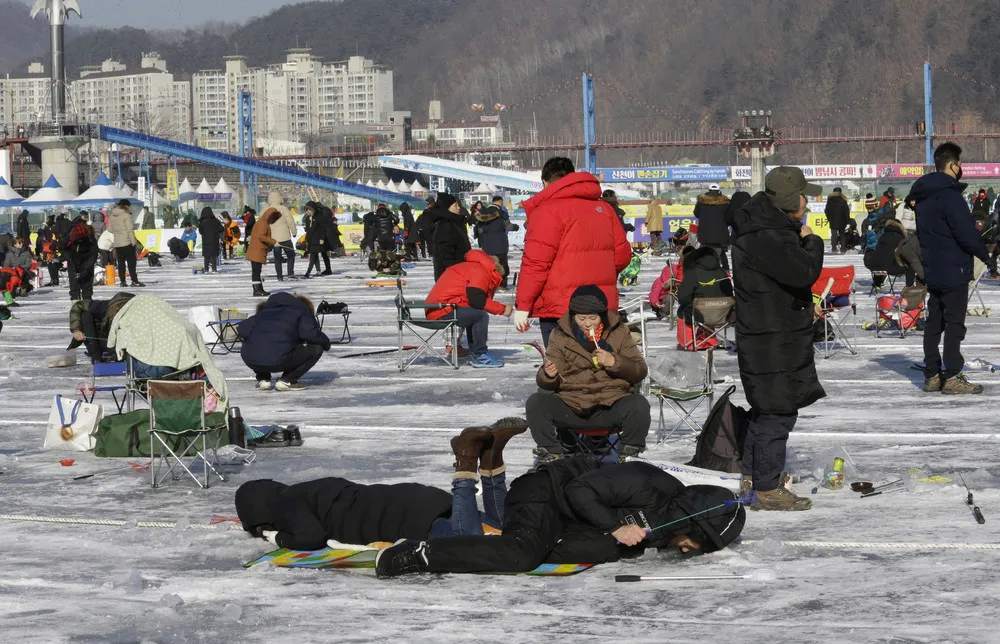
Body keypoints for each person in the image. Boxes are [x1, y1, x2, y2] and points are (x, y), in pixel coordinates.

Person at [373, 456, 746, 579]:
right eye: (697, 542)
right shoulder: (648, 483)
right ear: (690, 519)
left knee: (606, 550)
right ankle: (420, 553)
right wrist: (616, 526)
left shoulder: (667, 520)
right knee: (522, 554)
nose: (688, 551)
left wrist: (613, 536)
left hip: (569, 520)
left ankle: (488, 542)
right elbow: (578, 491)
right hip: (545, 491)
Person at [235, 420, 530, 549]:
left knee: (469, 541)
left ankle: (467, 459)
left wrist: (276, 537)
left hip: (408, 522)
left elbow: (310, 537)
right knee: (502, 527)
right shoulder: (312, 488)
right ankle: (492, 458)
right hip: (415, 498)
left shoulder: (287, 505)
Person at [730, 166, 825, 511]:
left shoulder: (762, 229)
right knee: (777, 412)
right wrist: (812, 240)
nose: (808, 202)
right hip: (772, 340)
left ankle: (755, 479)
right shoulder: (768, 237)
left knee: (766, 410)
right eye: (804, 196)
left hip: (768, 335)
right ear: (791, 201)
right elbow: (803, 272)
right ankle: (767, 487)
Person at [514, 157, 632, 346]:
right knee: (598, 366)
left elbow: (536, 264)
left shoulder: (547, 211)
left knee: (565, 368)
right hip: (600, 304)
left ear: (544, 182)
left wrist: (523, 305)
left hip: (560, 308)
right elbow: (623, 255)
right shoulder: (604, 209)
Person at [526, 285, 649, 465]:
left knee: (638, 405)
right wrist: (548, 374)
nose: (587, 323)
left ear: (603, 316)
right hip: (572, 405)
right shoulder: (559, 335)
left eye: (593, 318)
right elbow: (548, 379)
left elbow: (640, 371)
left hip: (610, 405)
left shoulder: (619, 332)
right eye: (581, 318)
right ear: (573, 316)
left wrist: (615, 362)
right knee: (536, 403)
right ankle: (552, 453)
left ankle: (629, 454)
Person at [911, 142, 993, 395]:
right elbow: (965, 233)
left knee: (934, 322)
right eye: (960, 164)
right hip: (953, 268)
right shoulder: (950, 195)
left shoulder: (923, 197)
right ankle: (953, 375)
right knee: (954, 323)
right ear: (953, 165)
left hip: (932, 268)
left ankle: (932, 374)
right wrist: (986, 255)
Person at [424, 249, 511, 368]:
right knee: (480, 315)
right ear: (496, 272)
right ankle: (480, 354)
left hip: (439, 308)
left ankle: (474, 350)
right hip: (441, 310)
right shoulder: (480, 271)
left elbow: (472, 301)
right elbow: (476, 299)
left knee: (474, 312)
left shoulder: (474, 267)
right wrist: (502, 309)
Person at [238, 292, 330, 392]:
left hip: (251, 359)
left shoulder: (264, 312)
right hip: (281, 357)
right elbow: (310, 334)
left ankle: (263, 379)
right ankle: (288, 380)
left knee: (256, 346)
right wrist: (326, 343)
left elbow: (242, 329)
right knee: (316, 349)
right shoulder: (301, 310)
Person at [67, 292, 135, 362]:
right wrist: (76, 330)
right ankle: (96, 356)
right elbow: (78, 305)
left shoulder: (139, 312)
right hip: (107, 341)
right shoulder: (103, 306)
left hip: (134, 346)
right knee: (85, 315)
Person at [675, 246, 733, 323]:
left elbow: (682, 298)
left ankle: (692, 335)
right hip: (723, 314)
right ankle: (707, 334)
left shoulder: (693, 272)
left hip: (700, 315)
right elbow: (729, 293)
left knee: (682, 310)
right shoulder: (722, 272)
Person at [421, 194, 471, 280]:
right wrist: (454, 275)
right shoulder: (445, 225)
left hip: (456, 273)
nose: (458, 208)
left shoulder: (453, 223)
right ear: (446, 208)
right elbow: (447, 255)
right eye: (455, 205)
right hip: (452, 277)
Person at [473, 204, 516, 290]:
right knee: (503, 265)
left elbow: (479, 231)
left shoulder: (481, 219)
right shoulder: (501, 217)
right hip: (501, 246)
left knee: (489, 267)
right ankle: (502, 285)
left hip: (487, 246)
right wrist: (516, 227)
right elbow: (509, 227)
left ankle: (490, 284)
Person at [694, 184, 732, 272]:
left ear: (709, 190)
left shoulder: (701, 201)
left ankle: (702, 270)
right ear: (719, 191)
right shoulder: (725, 202)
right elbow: (729, 217)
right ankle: (726, 270)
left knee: (704, 252)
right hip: (720, 234)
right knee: (721, 252)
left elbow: (696, 214)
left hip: (705, 234)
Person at [864, 218, 909, 288]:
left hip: (875, 267)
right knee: (911, 264)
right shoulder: (901, 238)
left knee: (881, 258)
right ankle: (910, 286)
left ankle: (877, 283)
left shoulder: (882, 236)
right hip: (892, 268)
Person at [61, 216, 98, 301]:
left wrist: (87, 267)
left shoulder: (90, 238)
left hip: (86, 260)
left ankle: (87, 305)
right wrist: (69, 259)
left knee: (87, 286)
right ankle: (75, 305)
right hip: (73, 260)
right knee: (74, 286)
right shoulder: (69, 236)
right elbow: (62, 248)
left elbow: (94, 253)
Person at [110, 199, 144, 288]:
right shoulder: (126, 215)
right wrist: (134, 242)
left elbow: (109, 229)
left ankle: (122, 281)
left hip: (117, 243)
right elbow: (130, 230)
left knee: (121, 263)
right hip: (127, 242)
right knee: (131, 263)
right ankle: (134, 281)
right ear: (126, 206)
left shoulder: (112, 215)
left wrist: (117, 232)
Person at [264, 191, 297, 281]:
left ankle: (279, 277)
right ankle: (290, 273)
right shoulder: (283, 208)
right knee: (291, 255)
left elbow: (262, 223)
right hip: (285, 237)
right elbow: (290, 221)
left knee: (277, 259)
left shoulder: (266, 210)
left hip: (274, 239)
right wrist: (294, 232)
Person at [246, 211, 280, 297]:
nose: (273, 220)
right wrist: (273, 241)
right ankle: (256, 290)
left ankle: (259, 289)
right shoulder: (263, 223)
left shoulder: (263, 222)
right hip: (257, 250)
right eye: (273, 218)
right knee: (256, 271)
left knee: (257, 270)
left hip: (258, 250)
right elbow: (261, 236)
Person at [302, 201, 337, 278]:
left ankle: (307, 273)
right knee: (317, 255)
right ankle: (319, 271)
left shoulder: (318, 218)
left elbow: (322, 229)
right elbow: (309, 231)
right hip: (312, 240)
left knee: (314, 256)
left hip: (318, 240)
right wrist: (306, 240)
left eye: (309, 210)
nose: (308, 211)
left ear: (313, 209)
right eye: (307, 210)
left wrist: (321, 238)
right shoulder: (308, 219)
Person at [824, 187, 851, 254]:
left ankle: (834, 249)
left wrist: (829, 218)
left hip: (833, 220)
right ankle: (843, 249)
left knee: (834, 235)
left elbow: (827, 210)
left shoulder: (830, 200)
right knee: (842, 235)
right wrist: (847, 221)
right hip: (842, 220)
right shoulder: (843, 200)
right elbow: (846, 212)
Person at [197, 207, 223, 274]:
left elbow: (200, 231)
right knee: (214, 256)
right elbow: (222, 229)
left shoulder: (202, 222)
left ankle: (206, 270)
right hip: (214, 240)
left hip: (206, 241)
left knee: (206, 256)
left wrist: (205, 234)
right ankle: (214, 269)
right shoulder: (216, 221)